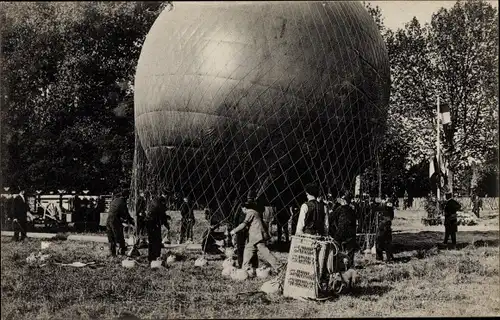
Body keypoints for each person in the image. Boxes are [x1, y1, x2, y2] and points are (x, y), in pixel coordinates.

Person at [230, 200, 282, 273]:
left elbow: (244, 224)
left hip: (257, 236)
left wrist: (234, 231)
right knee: (248, 250)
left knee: (265, 253)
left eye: (242, 210)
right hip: (256, 237)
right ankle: (244, 269)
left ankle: (279, 267)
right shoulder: (255, 212)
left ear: (244, 208)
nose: (243, 212)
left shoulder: (250, 213)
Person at [332, 191, 358, 267]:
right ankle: (349, 264)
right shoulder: (352, 210)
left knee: (336, 246)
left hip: (340, 231)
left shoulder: (339, 209)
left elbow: (333, 218)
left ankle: (337, 263)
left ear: (343, 200)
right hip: (350, 233)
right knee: (350, 249)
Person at [106, 190, 135, 257]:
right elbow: (125, 214)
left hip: (108, 220)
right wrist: (131, 221)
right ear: (126, 197)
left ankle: (112, 253)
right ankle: (121, 252)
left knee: (111, 237)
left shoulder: (115, 200)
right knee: (119, 236)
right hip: (115, 221)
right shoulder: (122, 202)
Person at [145, 195, 171, 261]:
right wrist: (166, 224)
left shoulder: (154, 201)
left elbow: (161, 214)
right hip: (154, 223)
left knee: (151, 241)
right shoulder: (159, 204)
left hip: (149, 222)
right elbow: (162, 215)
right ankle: (156, 256)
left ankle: (151, 257)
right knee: (157, 241)